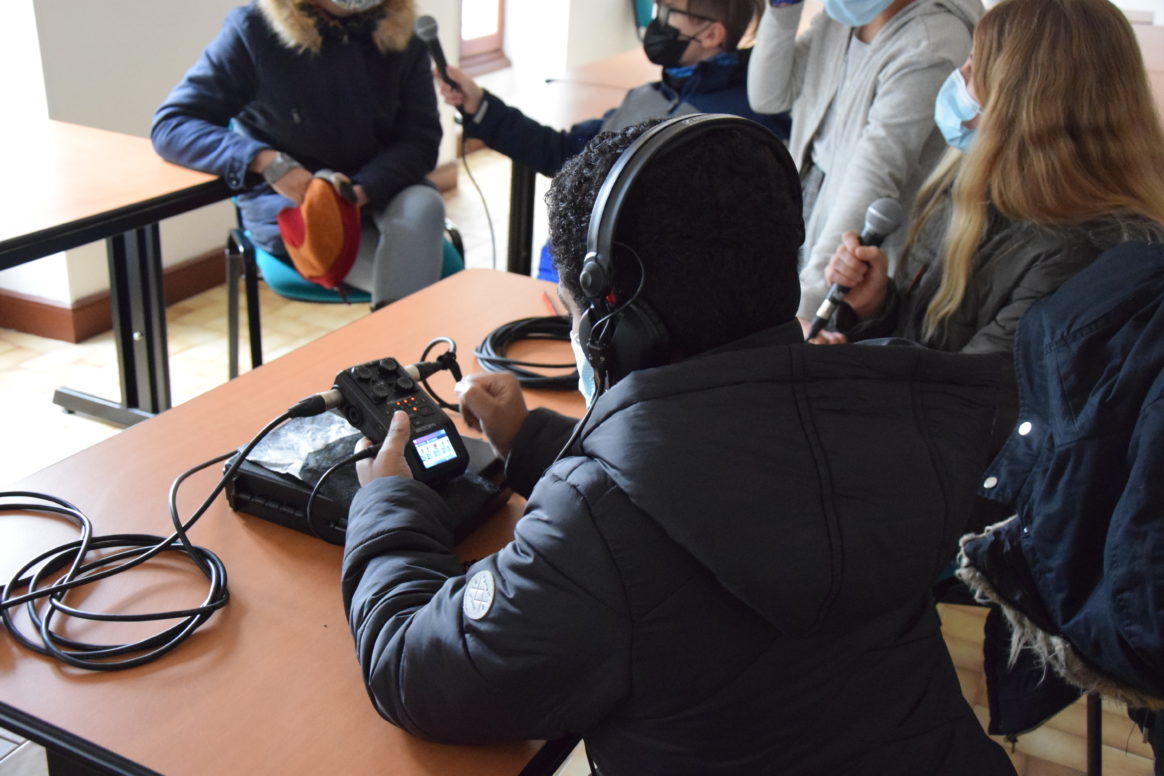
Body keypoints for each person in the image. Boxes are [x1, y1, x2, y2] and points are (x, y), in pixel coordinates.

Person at [340, 115, 1016, 774]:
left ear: (614, 325)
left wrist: (387, 505)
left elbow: (420, 676)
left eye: (576, 312)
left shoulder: (597, 532)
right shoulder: (882, 411)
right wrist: (534, 443)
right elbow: (724, 486)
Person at [820, 0, 1164, 354]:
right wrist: (875, 307)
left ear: (1023, 105)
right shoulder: (971, 190)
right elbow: (926, 341)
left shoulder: (1077, 255)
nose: (959, 77)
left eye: (973, 67)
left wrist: (845, 368)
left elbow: (968, 393)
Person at [151, 0, 445, 309]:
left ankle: (396, 344)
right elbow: (173, 125)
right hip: (297, 207)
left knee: (423, 206)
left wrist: (358, 192)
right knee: (414, 283)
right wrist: (265, 161)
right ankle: (404, 345)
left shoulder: (403, 32)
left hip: (380, 190)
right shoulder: (254, 29)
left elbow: (420, 140)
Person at [746, 0, 980, 333]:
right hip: (807, 214)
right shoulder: (842, 17)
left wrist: (809, 306)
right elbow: (769, 97)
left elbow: (874, 175)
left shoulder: (931, 41)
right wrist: (783, 10)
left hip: (852, 251)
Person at [434, 0, 790, 179]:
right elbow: (566, 155)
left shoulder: (741, 125)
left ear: (712, 34)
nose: (656, 23)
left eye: (668, 13)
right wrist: (480, 105)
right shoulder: (649, 97)